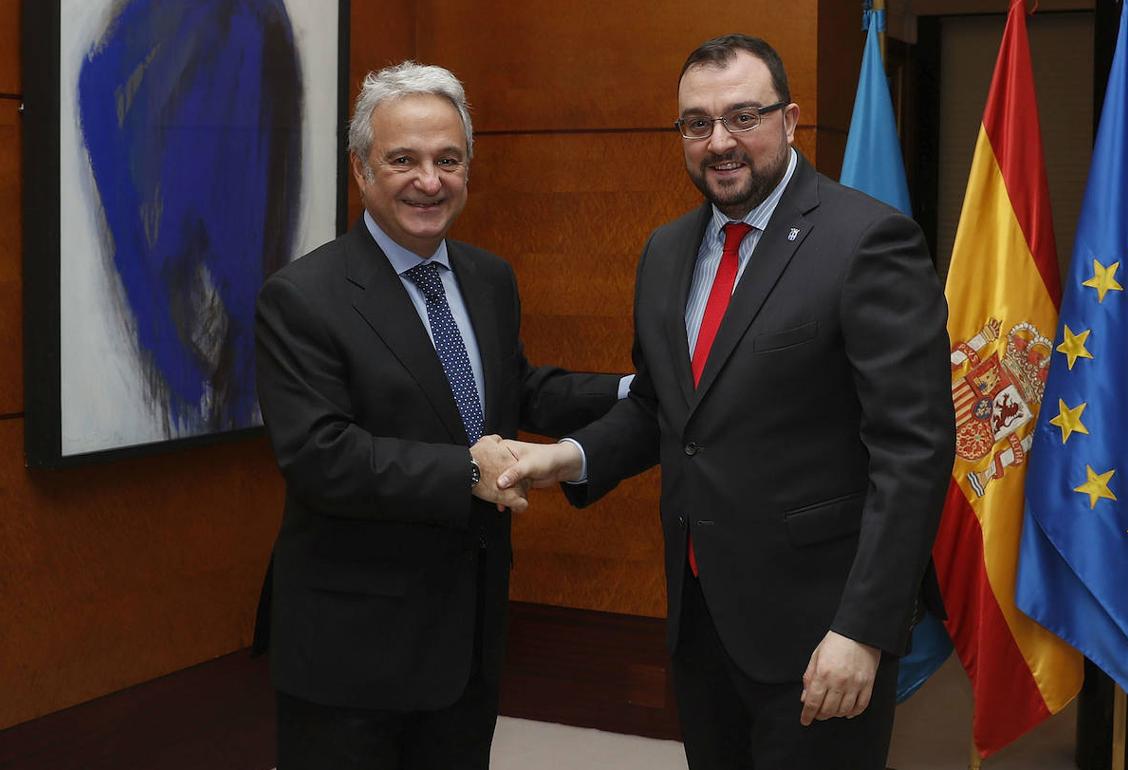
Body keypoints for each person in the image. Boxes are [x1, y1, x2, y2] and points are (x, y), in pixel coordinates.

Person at [498, 34, 955, 770]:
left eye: (743, 116)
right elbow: (663, 410)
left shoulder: (867, 241)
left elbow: (916, 451)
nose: (719, 142)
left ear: (791, 119)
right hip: (701, 625)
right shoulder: (665, 252)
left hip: (822, 634)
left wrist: (863, 629)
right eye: (697, 123)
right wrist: (568, 456)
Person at [253, 61, 625, 769]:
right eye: (404, 160)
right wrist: (465, 471)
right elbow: (320, 456)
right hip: (351, 654)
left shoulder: (488, 278)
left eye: (447, 159)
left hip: (468, 635)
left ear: (468, 169)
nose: (430, 180)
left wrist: (640, 389)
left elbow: (515, 390)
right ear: (361, 170)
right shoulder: (303, 298)